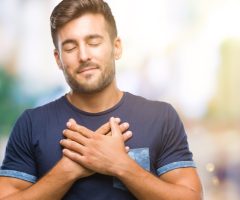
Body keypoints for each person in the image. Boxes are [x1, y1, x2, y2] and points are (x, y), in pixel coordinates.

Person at [0, 0, 203, 199]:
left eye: (94, 42)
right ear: (58, 59)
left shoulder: (161, 117)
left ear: (116, 47)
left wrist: (120, 165)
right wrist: (67, 171)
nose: (84, 55)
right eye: (70, 48)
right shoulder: (31, 124)